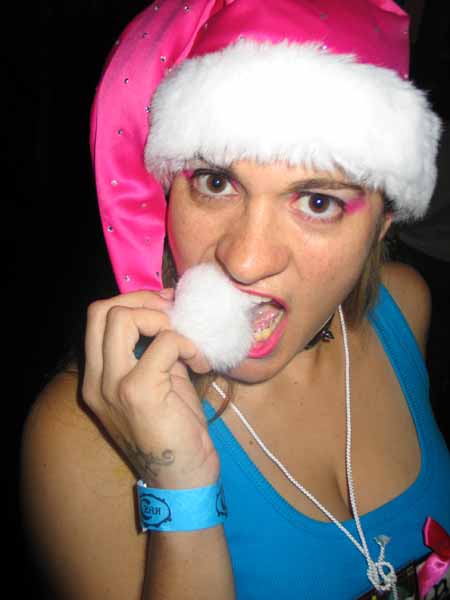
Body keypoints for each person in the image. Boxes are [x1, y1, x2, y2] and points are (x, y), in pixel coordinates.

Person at [21, 1, 450, 599]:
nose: (245, 260)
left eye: (318, 202)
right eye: (216, 182)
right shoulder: (77, 436)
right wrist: (179, 486)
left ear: (382, 223)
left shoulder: (403, 306)